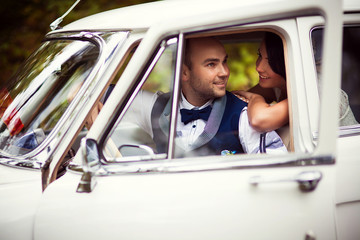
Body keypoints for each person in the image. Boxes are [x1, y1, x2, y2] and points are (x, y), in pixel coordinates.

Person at [127, 37, 287, 157]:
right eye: (211, 64)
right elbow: (110, 96)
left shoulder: (243, 115)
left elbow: (278, 171)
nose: (225, 72)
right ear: (184, 72)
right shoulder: (156, 106)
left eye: (225, 61)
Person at [234, 32, 288, 133]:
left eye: (270, 61)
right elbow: (236, 100)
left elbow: (258, 120)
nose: (258, 67)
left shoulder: (305, 93)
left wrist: (255, 98)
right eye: (260, 55)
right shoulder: (275, 87)